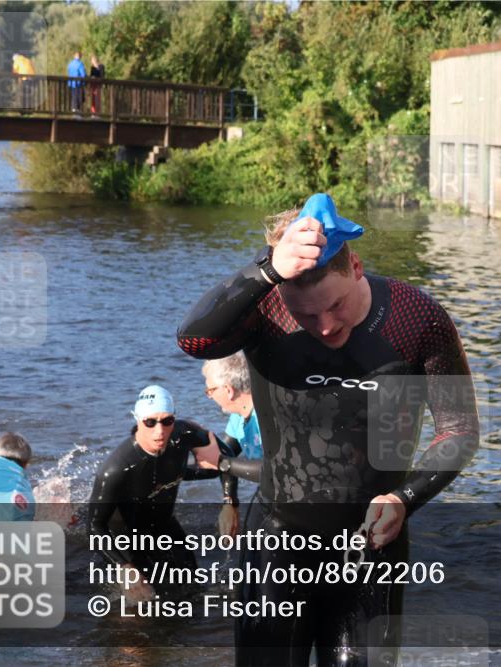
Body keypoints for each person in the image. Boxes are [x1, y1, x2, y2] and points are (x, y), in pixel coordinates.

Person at [177, 193, 480, 665]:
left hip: (371, 545)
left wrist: (404, 498)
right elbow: (194, 338)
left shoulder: (416, 317)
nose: (323, 326)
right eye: (306, 314)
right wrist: (266, 270)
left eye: (335, 305)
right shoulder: (265, 309)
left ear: (355, 267)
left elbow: (459, 429)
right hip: (278, 538)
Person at [87, 385, 239, 602]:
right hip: (127, 538)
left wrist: (230, 503)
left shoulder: (185, 433)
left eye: (167, 421)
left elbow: (227, 457)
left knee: (193, 591)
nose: (159, 431)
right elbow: (94, 527)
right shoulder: (116, 469)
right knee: (143, 609)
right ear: (138, 420)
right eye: (150, 422)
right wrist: (125, 567)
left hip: (165, 525)